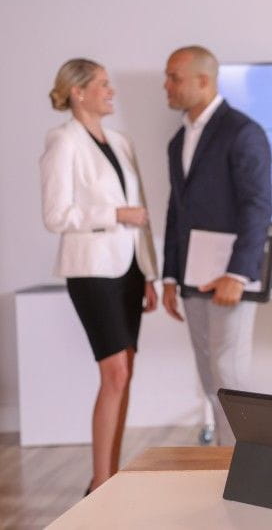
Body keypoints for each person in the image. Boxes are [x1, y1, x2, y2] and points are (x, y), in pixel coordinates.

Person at [40, 58, 158, 492]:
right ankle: (101, 481)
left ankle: (109, 474)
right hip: (91, 270)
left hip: (127, 269)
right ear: (78, 91)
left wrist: (149, 273)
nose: (111, 91)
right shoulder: (62, 141)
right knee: (115, 373)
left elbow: (141, 211)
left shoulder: (121, 142)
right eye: (103, 84)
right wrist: (114, 213)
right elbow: (56, 215)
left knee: (125, 369)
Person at [161, 45, 272, 445]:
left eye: (174, 77)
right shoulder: (179, 141)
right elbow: (177, 209)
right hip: (191, 277)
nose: (166, 85)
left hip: (230, 277)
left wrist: (238, 273)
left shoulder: (243, 132)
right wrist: (169, 275)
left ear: (203, 81)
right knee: (210, 377)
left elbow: (257, 206)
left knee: (231, 375)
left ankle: (248, 468)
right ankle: (223, 465)